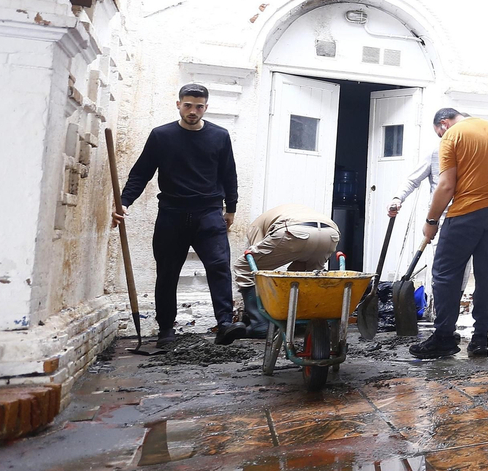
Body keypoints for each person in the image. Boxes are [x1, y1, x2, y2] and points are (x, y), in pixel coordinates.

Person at [113, 83, 244, 346]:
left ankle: (225, 324)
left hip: (208, 212)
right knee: (168, 272)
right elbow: (141, 173)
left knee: (219, 267)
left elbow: (229, 174)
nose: (193, 111)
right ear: (178, 105)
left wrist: (231, 208)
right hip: (172, 213)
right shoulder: (161, 136)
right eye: (188, 105)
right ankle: (165, 331)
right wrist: (124, 202)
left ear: (206, 107)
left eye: (198, 106)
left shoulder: (220, 136)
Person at [409, 109, 488, 360]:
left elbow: (447, 185)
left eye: (439, 132)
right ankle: (480, 338)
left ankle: (444, 338)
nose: (440, 136)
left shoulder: (452, 136)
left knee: (446, 272)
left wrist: (431, 220)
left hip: (470, 209)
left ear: (444, 124)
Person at [233, 205, 340, 338]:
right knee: (305, 276)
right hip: (330, 234)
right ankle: (303, 321)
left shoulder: (255, 226)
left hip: (293, 231)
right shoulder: (292, 211)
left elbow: (256, 270)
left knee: (243, 266)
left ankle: (259, 324)